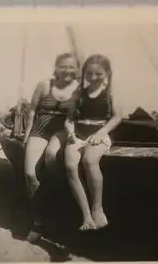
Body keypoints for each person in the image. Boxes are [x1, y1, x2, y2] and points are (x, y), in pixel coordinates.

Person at [22, 52, 80, 240]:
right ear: (56, 67)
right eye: (63, 66)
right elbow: (32, 110)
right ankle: (38, 221)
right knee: (30, 175)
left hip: (62, 130)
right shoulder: (44, 85)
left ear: (77, 69)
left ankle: (55, 201)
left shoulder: (79, 90)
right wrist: (27, 134)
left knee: (51, 159)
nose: (67, 70)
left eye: (72, 67)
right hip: (39, 130)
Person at [64, 54, 122, 231]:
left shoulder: (110, 95)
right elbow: (69, 119)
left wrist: (101, 132)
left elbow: (117, 117)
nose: (93, 78)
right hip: (78, 135)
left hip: (99, 135)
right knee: (70, 166)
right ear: (84, 74)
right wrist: (70, 133)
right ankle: (86, 216)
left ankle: (98, 209)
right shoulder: (78, 94)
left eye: (98, 74)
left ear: (107, 74)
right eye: (89, 74)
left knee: (89, 161)